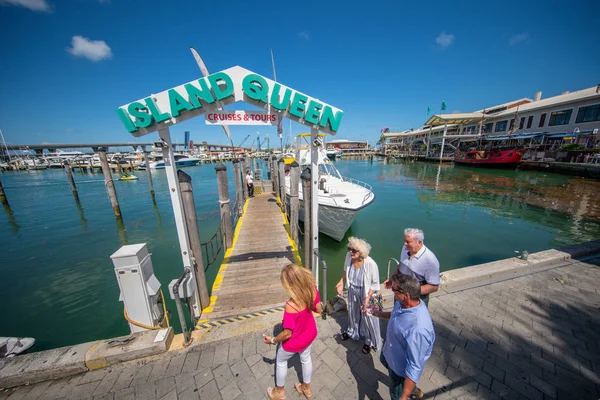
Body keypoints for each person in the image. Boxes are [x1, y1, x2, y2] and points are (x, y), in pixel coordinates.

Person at [264, 264, 321, 400]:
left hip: (295, 341)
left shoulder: (290, 305)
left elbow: (287, 333)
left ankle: (279, 392)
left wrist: (273, 340)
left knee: (281, 360)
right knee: (306, 358)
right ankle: (306, 389)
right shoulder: (312, 290)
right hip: (310, 334)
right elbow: (318, 310)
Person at [373, 273, 435, 400]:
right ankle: (413, 389)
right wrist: (378, 313)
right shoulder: (403, 304)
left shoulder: (419, 328)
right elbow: (394, 315)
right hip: (389, 352)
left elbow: (415, 366)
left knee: (396, 393)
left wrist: (404, 397)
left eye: (394, 290)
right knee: (383, 360)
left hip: (399, 368)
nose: (392, 292)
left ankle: (408, 389)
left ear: (406, 295)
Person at [335, 237, 382, 354]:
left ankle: (369, 341)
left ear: (361, 252)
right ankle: (353, 332)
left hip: (365, 292)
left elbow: (375, 284)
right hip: (352, 290)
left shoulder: (370, 264)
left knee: (366, 316)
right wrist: (341, 282)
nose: (350, 252)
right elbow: (346, 270)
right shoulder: (349, 257)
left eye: (354, 250)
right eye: (349, 249)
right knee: (352, 312)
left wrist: (367, 297)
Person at [383, 228, 440, 307]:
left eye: (408, 242)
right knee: (397, 314)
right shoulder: (406, 248)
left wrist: (411, 290)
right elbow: (401, 264)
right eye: (404, 241)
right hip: (400, 292)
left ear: (419, 242)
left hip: (416, 299)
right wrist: (392, 279)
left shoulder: (430, 261)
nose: (405, 244)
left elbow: (434, 286)